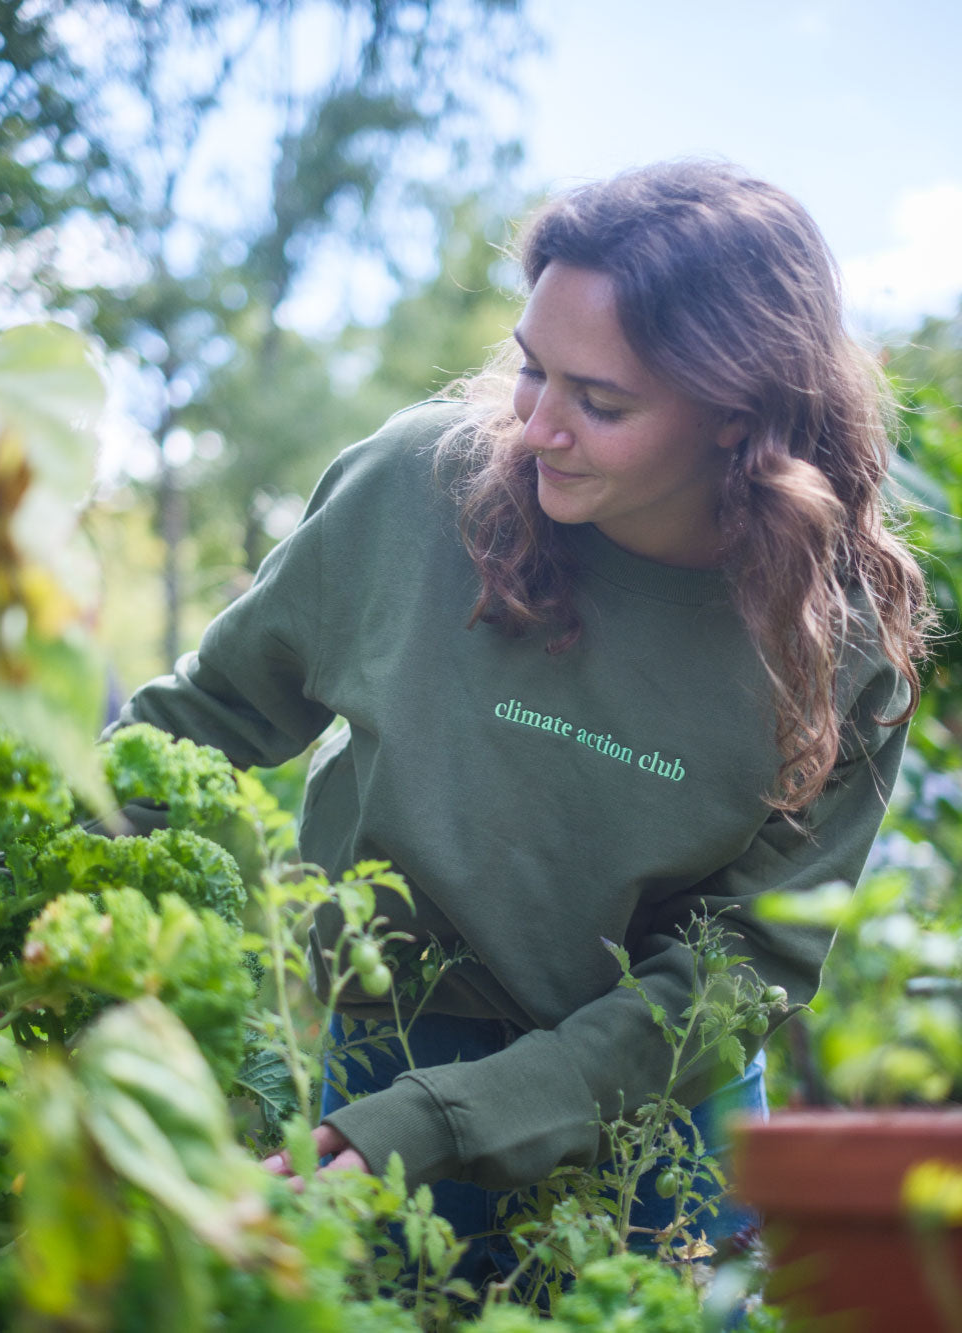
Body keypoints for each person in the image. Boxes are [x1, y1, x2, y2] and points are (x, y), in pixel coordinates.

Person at [105, 160, 930, 1283]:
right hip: (383, 1071)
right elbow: (199, 721)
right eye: (532, 371)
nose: (535, 425)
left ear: (737, 417)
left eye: (600, 401)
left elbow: (739, 966)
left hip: (652, 1112)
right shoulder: (414, 491)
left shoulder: (839, 638)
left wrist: (459, 1119)